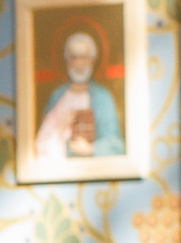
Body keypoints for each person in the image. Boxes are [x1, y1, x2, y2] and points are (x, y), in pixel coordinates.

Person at [32, 27, 124, 164]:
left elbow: (116, 145)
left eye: (84, 57)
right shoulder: (57, 97)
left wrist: (91, 148)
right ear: (67, 61)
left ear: (92, 60)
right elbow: (41, 141)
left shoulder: (102, 97)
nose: (79, 63)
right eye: (74, 57)